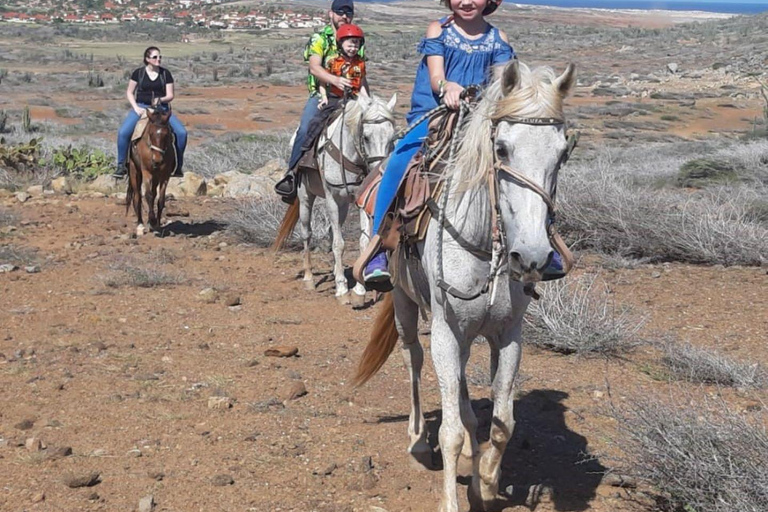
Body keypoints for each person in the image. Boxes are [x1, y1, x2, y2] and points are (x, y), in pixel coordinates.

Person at [362, 0, 517, 285]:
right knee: (399, 161)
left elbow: (502, 84)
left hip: (480, 121)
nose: (467, 1)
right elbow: (436, 78)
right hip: (433, 116)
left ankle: (544, 239)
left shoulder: (498, 38)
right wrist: (449, 87)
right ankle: (377, 247)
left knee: (522, 163)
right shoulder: (439, 30)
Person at [274, 0, 363, 201]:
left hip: (352, 95)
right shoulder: (320, 38)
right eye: (340, 12)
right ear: (330, 13)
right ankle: (292, 175)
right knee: (306, 128)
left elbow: (361, 70)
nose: (344, 16)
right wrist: (335, 81)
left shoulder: (354, 38)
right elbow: (315, 67)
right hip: (322, 95)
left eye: (348, 13)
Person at [114, 46, 187, 179]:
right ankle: (121, 165)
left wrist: (161, 99)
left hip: (162, 109)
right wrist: (136, 107)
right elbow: (130, 92)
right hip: (142, 107)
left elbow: (170, 95)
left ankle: (178, 166)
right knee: (123, 132)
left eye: (159, 57)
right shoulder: (138, 73)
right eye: (155, 57)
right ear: (147, 59)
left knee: (181, 133)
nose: (158, 59)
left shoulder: (165, 74)